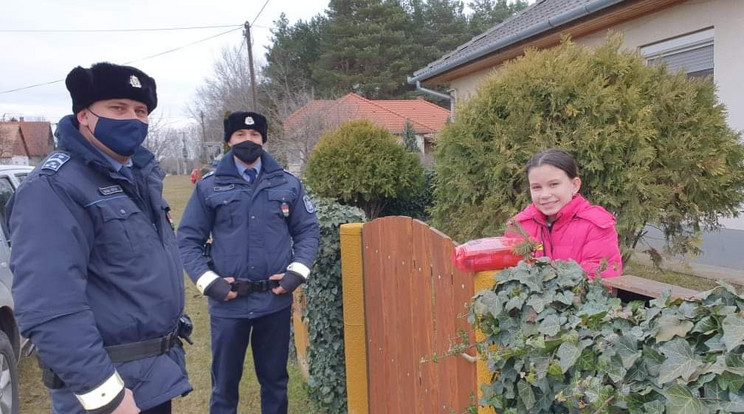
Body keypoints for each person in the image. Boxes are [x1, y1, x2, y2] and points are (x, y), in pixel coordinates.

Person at [6, 62, 191, 414]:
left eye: (140, 111)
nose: (132, 120)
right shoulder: (54, 188)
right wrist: (107, 396)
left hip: (150, 378)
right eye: (117, 108)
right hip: (108, 391)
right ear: (84, 116)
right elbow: (50, 309)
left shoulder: (136, 178)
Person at [177, 111, 319, 414]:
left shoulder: (288, 184)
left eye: (255, 135)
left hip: (274, 302)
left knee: (275, 382)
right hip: (229, 304)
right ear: (229, 140)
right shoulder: (209, 186)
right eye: (240, 135)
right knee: (225, 386)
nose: (248, 141)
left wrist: (296, 273)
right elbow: (188, 240)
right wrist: (209, 282)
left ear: (263, 140)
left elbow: (307, 231)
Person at [509, 148, 622, 278]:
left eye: (554, 184)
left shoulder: (595, 226)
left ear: (574, 185)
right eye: (536, 187)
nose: (545, 195)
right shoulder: (519, 226)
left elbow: (600, 278)